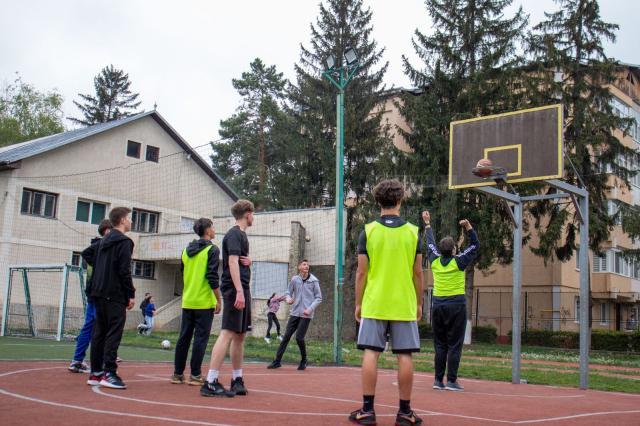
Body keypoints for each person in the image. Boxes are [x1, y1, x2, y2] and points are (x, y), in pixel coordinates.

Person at [349, 179, 424, 426]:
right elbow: (418, 273)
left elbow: (361, 273)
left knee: (371, 353)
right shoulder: (413, 232)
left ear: (377, 201)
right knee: (405, 356)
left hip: (375, 302)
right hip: (403, 303)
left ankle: (368, 411)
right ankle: (404, 412)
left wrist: (359, 303)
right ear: (400, 200)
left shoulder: (368, 231)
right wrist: (419, 304)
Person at [201, 200, 255, 398]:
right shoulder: (233, 234)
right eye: (253, 214)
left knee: (240, 335)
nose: (253, 218)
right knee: (227, 333)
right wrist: (239, 291)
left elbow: (239, 262)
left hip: (242, 288)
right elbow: (232, 262)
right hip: (235, 289)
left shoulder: (241, 235)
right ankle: (210, 381)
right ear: (248, 214)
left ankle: (237, 379)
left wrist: (250, 261)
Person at [422, 210, 479, 392]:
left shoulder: (435, 260)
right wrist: (469, 228)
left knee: (440, 344)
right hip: (456, 305)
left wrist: (428, 224)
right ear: (454, 249)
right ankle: (452, 381)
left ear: (441, 249)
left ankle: (438, 380)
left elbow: (429, 243)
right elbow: (475, 245)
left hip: (438, 305)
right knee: (454, 344)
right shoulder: (459, 261)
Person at [86, 207, 135, 390]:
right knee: (113, 333)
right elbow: (124, 270)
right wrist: (130, 293)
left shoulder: (103, 241)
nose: (131, 221)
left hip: (98, 292)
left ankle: (96, 372)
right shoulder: (124, 242)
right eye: (129, 218)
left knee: (99, 333)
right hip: (114, 293)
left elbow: (88, 254)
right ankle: (110, 372)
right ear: (122, 220)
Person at [172, 218, 222, 386]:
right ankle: (195, 375)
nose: (214, 230)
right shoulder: (213, 250)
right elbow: (212, 277)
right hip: (203, 302)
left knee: (184, 338)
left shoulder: (186, 251)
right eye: (213, 227)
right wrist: (218, 299)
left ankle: (177, 374)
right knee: (200, 339)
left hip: (188, 301)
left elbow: (182, 273)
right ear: (207, 230)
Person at [68, 219, 113, 373]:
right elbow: (86, 253)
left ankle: (77, 360)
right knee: (100, 328)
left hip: (94, 293)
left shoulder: (98, 247)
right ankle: (99, 364)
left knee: (91, 327)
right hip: (97, 294)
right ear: (107, 230)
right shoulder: (100, 246)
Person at [267, 260, 322, 370]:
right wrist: (288, 299)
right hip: (295, 313)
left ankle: (304, 360)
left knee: (299, 338)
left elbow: (318, 298)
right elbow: (288, 292)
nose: (306, 266)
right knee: (286, 336)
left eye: (307, 265)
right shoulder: (294, 280)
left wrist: (310, 309)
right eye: (304, 264)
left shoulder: (314, 281)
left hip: (306, 315)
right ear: (299, 267)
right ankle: (277, 361)